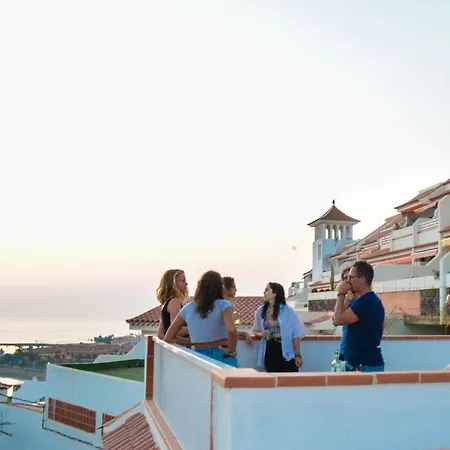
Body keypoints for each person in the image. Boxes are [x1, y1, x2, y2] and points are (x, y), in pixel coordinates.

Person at [164, 270, 238, 367]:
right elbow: (231, 329)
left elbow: (169, 337)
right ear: (220, 287)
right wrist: (232, 351)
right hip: (220, 353)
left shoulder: (188, 308)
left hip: (197, 356)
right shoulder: (224, 305)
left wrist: (192, 342)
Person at [333, 261, 385, 372]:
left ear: (362, 279)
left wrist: (340, 294)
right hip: (362, 365)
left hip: (365, 366)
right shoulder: (368, 301)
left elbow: (337, 320)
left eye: (351, 277)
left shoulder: (366, 302)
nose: (348, 281)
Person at [253, 282, 305, 372]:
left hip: (285, 350)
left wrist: (297, 354)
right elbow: (255, 330)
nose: (264, 292)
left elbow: (296, 334)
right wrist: (262, 333)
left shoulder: (288, 311)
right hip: (269, 349)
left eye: (267, 290)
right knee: (272, 377)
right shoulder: (261, 311)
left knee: (289, 377)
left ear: (275, 293)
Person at [156, 269, 190, 345]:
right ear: (174, 284)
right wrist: (196, 328)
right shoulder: (175, 302)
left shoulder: (166, 303)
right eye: (183, 281)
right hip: (181, 348)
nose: (186, 283)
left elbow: (160, 334)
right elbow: (177, 330)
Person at [223, 276, 253, 347]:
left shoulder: (226, 305)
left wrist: (244, 333)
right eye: (233, 287)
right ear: (226, 288)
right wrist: (232, 319)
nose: (236, 290)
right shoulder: (225, 305)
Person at [334, 266, 356, 361]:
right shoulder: (345, 299)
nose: (347, 281)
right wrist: (346, 301)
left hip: (356, 351)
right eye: (344, 278)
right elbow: (335, 320)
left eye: (349, 277)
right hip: (344, 348)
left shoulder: (361, 299)